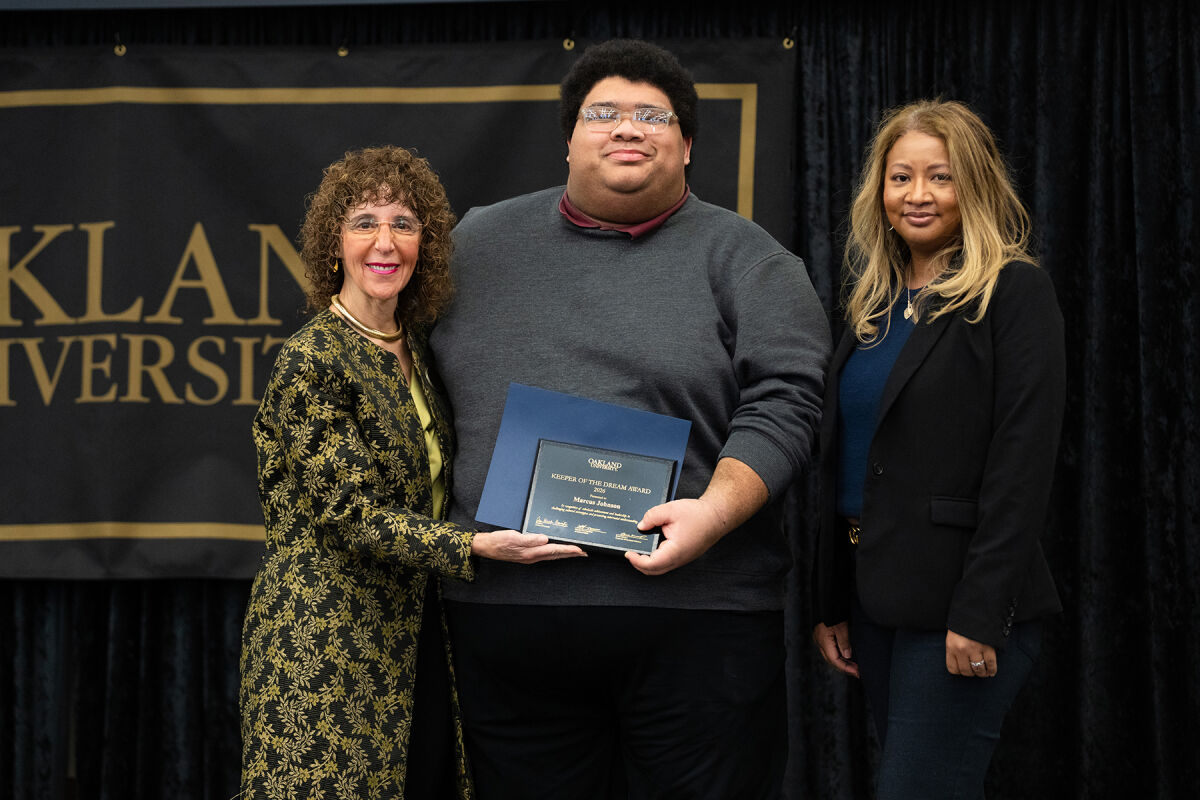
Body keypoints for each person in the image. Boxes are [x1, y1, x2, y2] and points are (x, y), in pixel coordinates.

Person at [428, 40, 831, 798]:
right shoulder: (470, 246)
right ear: (568, 138)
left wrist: (715, 513)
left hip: (700, 620)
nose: (627, 127)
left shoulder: (753, 260)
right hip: (505, 619)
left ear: (687, 145)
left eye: (653, 115)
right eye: (603, 112)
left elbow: (790, 400)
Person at [238, 146, 583, 800]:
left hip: (414, 630)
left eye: (404, 223)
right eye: (364, 222)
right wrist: (475, 545)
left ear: (424, 245)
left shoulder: (419, 349)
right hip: (324, 638)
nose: (385, 242)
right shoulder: (312, 359)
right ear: (333, 244)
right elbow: (351, 515)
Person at [811, 100, 1065, 798]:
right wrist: (833, 600)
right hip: (874, 601)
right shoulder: (873, 305)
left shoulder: (1013, 290)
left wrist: (980, 613)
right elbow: (849, 459)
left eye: (940, 177)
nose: (917, 195)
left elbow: (1022, 467)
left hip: (961, 604)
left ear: (974, 186)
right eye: (900, 177)